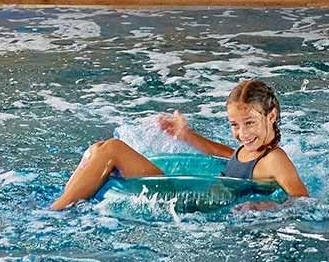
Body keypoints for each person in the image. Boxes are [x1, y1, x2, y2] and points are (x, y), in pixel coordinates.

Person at [49, 79, 309, 210]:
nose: (242, 134)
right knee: (99, 148)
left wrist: (269, 207)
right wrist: (186, 135)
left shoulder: (276, 159)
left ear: (271, 116)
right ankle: (60, 204)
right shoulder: (253, 151)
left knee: (113, 149)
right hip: (195, 198)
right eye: (234, 125)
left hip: (191, 204)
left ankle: (56, 212)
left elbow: (304, 201)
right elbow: (227, 155)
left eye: (249, 123)